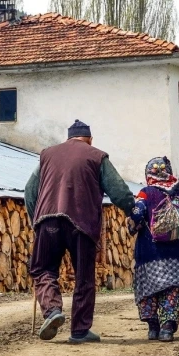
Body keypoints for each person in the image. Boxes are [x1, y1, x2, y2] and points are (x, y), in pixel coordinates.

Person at [25, 120, 135, 344]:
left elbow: (29, 190)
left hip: (48, 221)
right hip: (81, 224)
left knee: (43, 269)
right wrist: (133, 211)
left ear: (68, 139)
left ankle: (52, 310)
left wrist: (36, 221)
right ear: (90, 140)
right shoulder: (97, 156)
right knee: (84, 278)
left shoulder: (47, 155)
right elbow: (119, 191)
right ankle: (80, 331)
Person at [127, 156, 179, 342]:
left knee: (149, 291)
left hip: (150, 255)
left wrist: (132, 225)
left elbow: (137, 214)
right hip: (177, 256)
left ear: (148, 174)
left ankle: (153, 327)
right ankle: (167, 328)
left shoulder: (145, 193)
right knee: (172, 290)